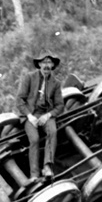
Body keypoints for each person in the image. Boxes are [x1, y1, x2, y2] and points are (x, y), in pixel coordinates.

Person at [16, 51, 65, 179]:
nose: (46, 65)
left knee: (52, 132)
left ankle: (47, 167)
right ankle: (34, 175)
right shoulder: (29, 78)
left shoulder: (56, 83)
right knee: (34, 139)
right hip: (30, 115)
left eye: (49, 62)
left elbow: (60, 105)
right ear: (39, 64)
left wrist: (48, 115)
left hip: (45, 114)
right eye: (44, 62)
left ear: (53, 65)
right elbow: (19, 100)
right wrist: (29, 116)